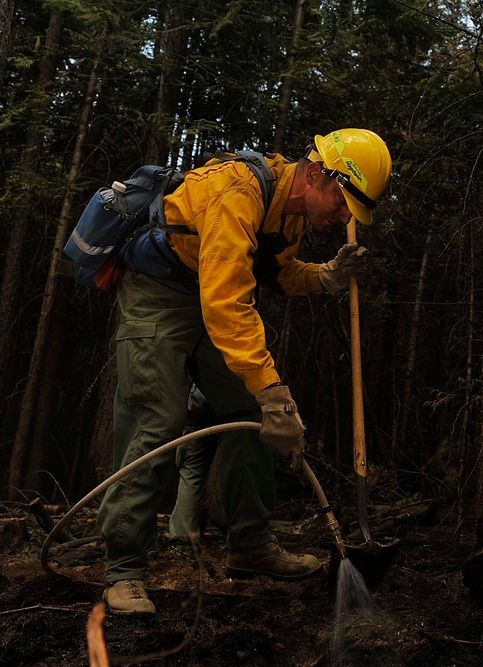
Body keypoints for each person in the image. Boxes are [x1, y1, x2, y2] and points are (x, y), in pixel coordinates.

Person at [97, 128, 392, 617]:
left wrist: (326, 276)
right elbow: (228, 302)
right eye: (342, 205)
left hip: (209, 295)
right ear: (318, 174)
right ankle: (124, 568)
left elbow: (272, 273)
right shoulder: (238, 191)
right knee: (158, 419)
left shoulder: (291, 211)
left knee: (249, 410)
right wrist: (275, 391)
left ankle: (250, 546)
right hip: (159, 294)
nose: (343, 220)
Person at [168, 383, 219, 542]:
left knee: (192, 472)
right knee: (237, 468)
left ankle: (181, 537)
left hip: (198, 406)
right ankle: (242, 539)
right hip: (231, 408)